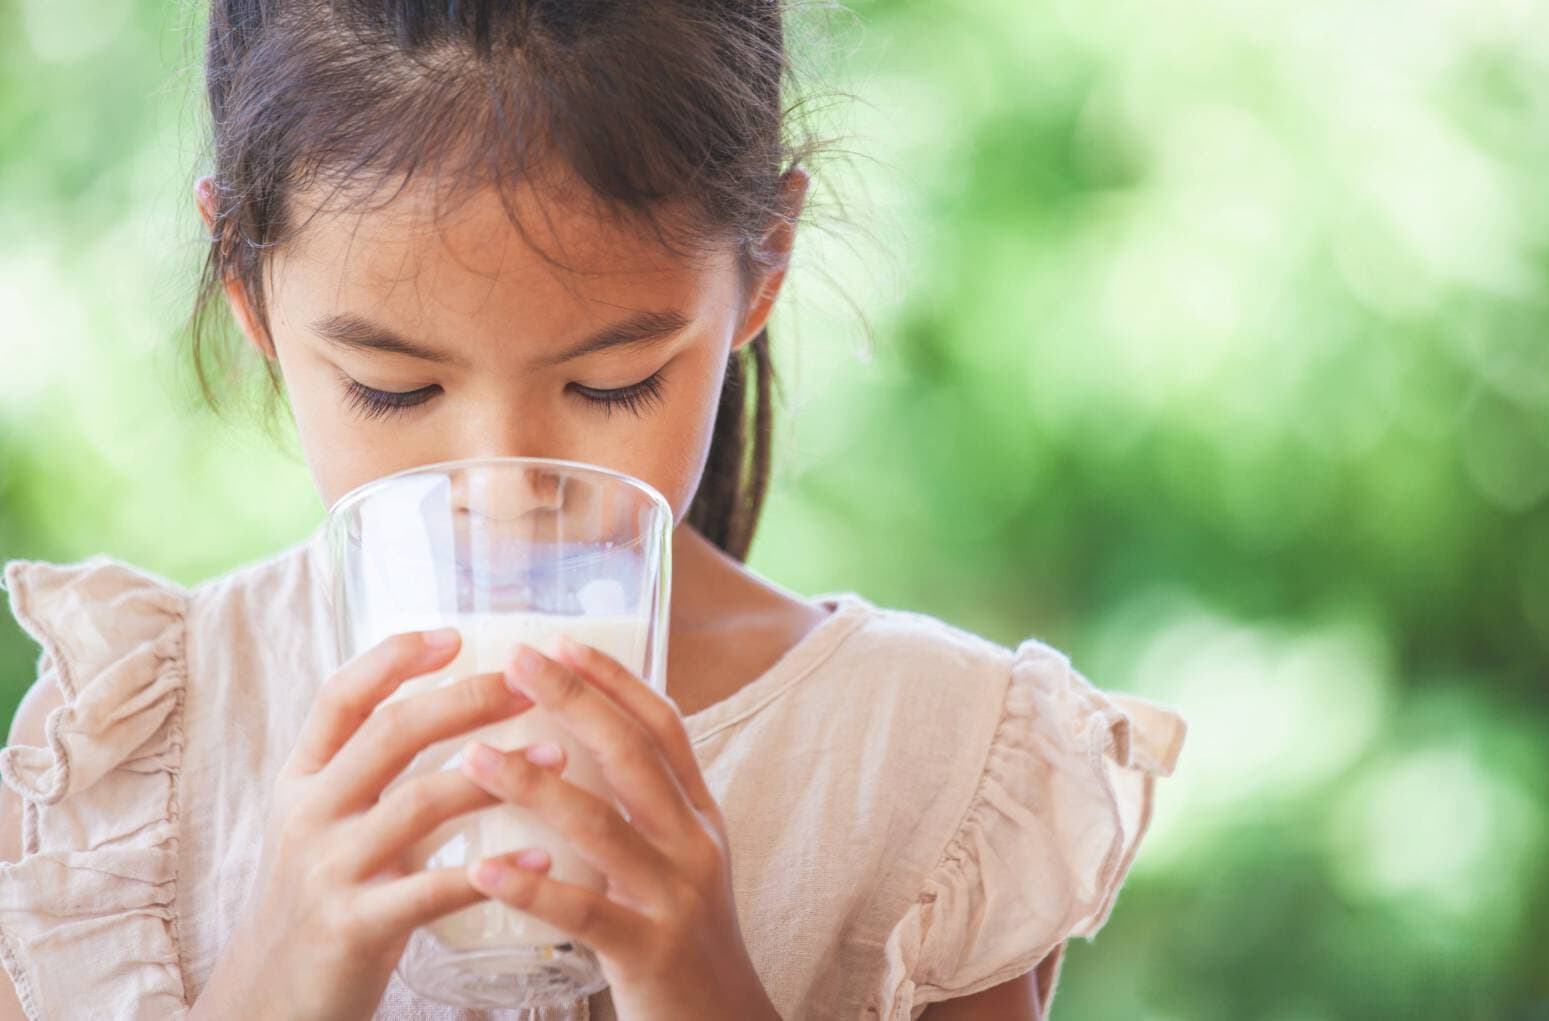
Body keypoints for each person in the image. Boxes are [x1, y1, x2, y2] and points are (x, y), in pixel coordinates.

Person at [0, 1, 1186, 1017]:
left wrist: (706, 984)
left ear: (762, 264)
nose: (506, 488)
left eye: (612, 385)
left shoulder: (931, 765)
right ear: (250, 288)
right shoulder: (138, 765)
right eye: (393, 388)